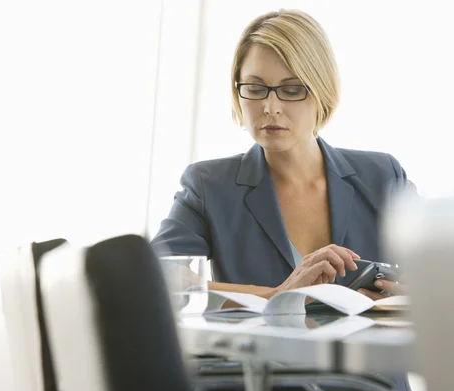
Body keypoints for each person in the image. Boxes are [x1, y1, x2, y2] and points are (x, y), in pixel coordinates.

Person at [151, 9, 411, 301]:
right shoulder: (208, 185)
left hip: (365, 347)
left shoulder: (383, 176)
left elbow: (440, 274)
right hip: (260, 347)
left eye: (291, 90)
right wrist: (276, 295)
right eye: (255, 88)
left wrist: (415, 294)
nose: (270, 107)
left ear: (322, 91)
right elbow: (156, 275)